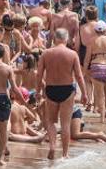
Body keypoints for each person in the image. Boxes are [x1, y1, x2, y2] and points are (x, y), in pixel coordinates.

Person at [37, 28, 88, 159]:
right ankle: (65, 154)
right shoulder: (72, 54)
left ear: (54, 39)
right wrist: (84, 93)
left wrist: (38, 91)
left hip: (51, 88)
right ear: (66, 39)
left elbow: (39, 74)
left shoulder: (46, 53)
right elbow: (79, 75)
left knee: (51, 121)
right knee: (65, 124)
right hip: (67, 89)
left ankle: (53, 146)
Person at [84, 20, 106, 124]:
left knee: (100, 95)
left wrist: (85, 72)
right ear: (105, 30)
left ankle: (102, 117)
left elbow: (87, 59)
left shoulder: (92, 41)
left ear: (95, 30)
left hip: (96, 66)